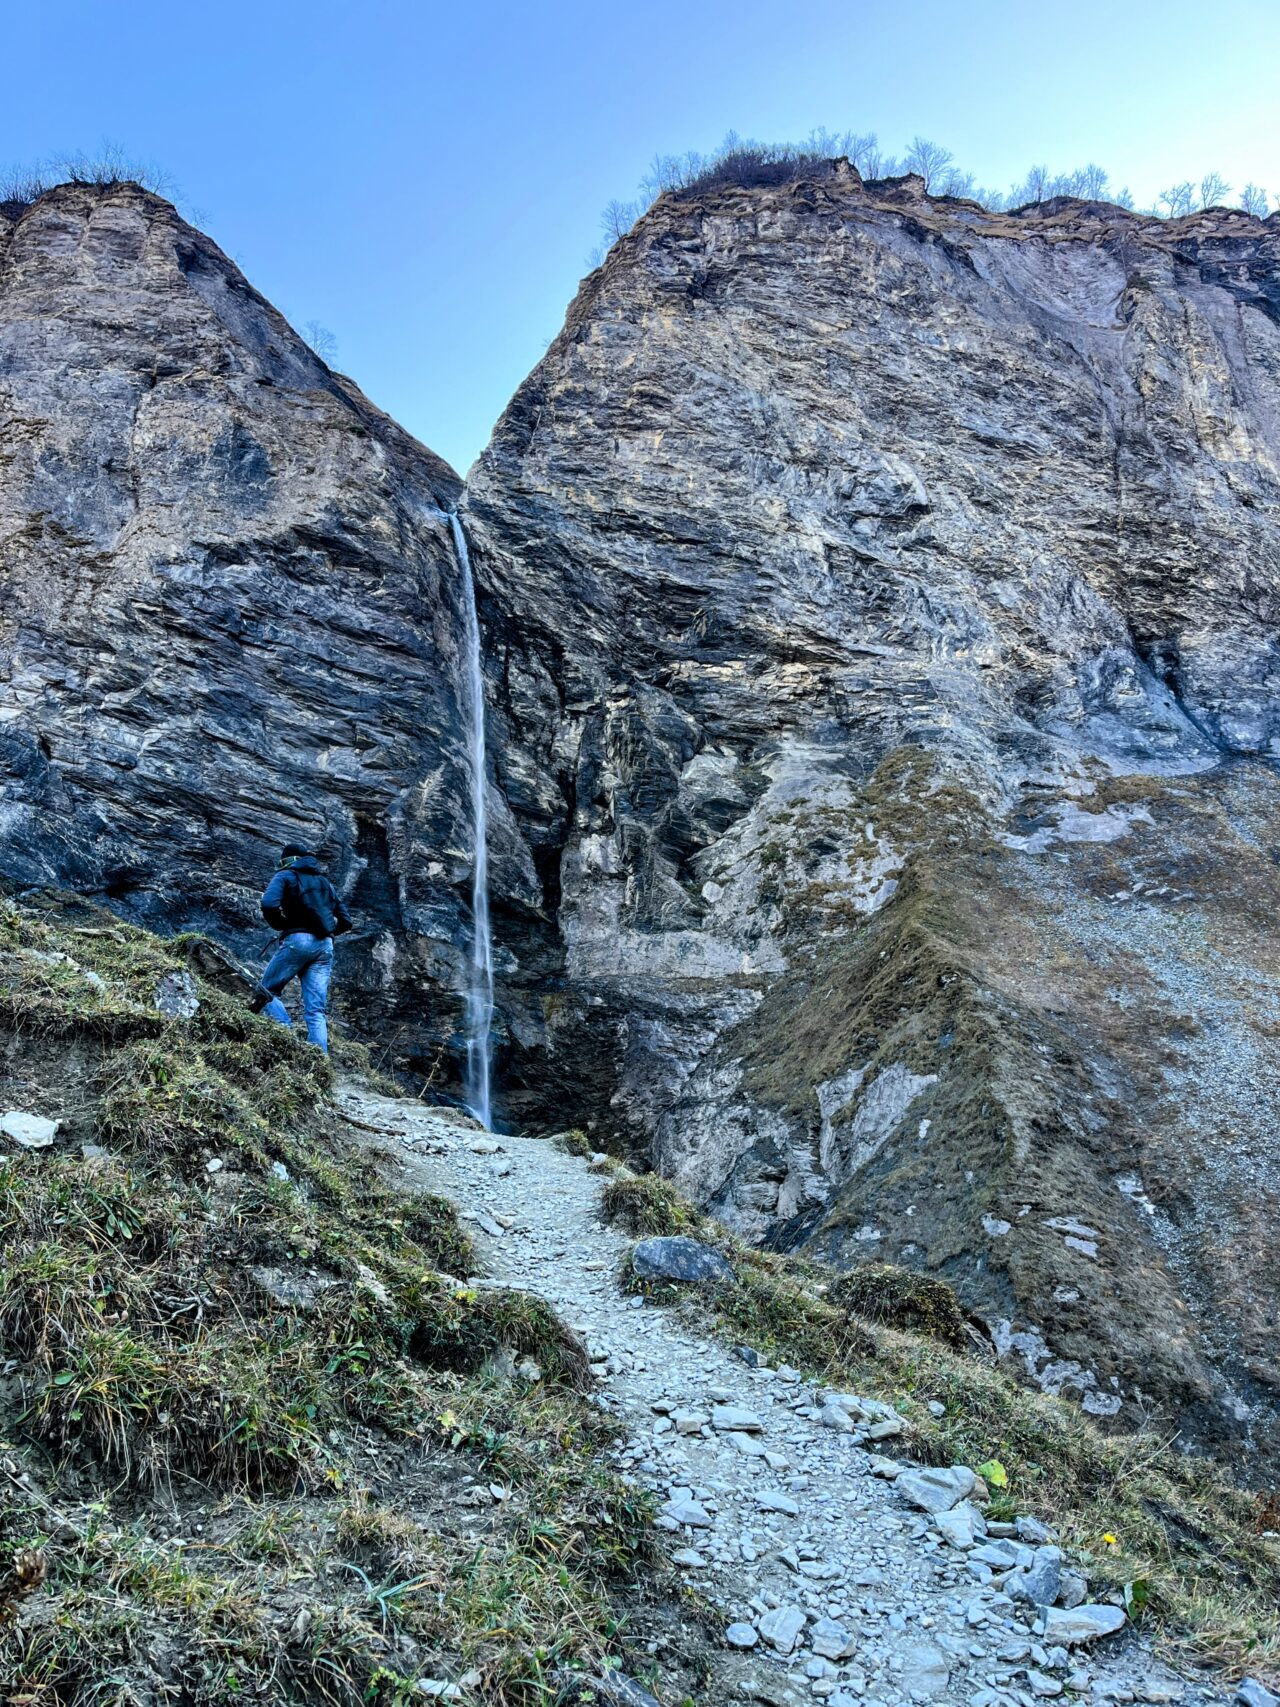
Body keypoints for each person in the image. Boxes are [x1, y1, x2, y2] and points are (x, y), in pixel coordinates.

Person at [250, 843, 352, 1053]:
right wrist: (328, 933)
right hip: (325, 946)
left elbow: (269, 904)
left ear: (288, 860)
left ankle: (286, 1034)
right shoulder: (326, 883)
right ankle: (319, 1062)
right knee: (316, 1010)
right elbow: (346, 921)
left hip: (298, 941)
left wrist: (283, 925)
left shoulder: (285, 875)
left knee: (266, 991)